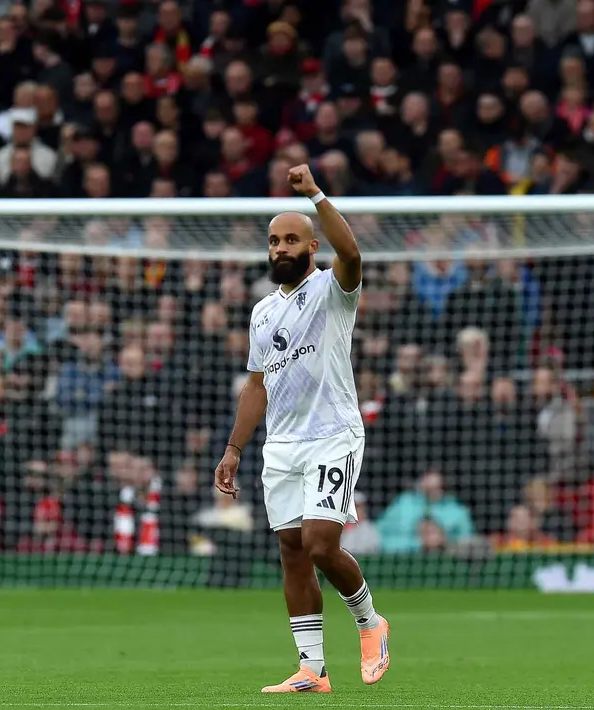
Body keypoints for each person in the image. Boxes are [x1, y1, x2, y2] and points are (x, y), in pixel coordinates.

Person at [214, 163, 388, 693]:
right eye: (273, 241)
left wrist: (315, 194)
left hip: (333, 432)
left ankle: (370, 622)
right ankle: (313, 669)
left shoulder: (334, 291)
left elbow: (353, 255)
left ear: (312, 247)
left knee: (319, 543)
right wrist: (233, 449)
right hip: (283, 444)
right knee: (291, 547)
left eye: (292, 239)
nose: (280, 248)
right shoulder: (263, 312)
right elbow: (257, 385)